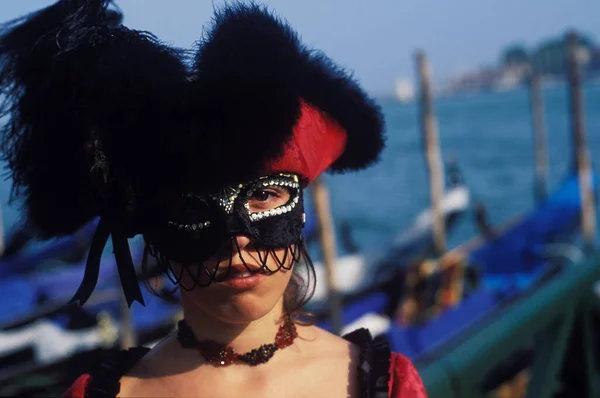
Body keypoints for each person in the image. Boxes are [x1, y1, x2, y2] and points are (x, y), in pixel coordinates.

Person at [0, 1, 427, 397]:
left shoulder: (380, 384)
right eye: (191, 208)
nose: (237, 238)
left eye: (263, 195)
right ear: (153, 229)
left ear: (298, 210)